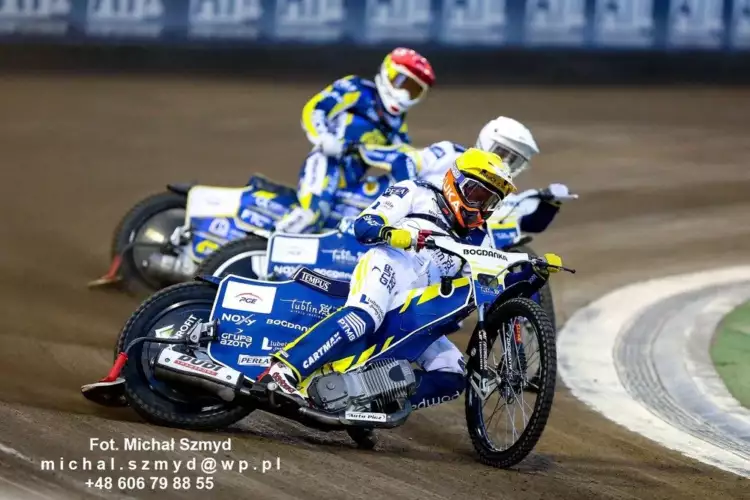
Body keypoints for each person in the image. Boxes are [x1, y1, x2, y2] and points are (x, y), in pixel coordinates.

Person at [258, 148, 550, 411]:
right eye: (476, 194)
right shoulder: (416, 191)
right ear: (455, 181)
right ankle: (283, 370)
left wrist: (528, 277)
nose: (480, 206)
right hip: (387, 267)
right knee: (362, 318)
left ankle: (366, 400)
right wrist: (392, 234)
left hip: (417, 306)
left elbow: (488, 287)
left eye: (489, 201)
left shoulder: (481, 238)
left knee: (452, 374)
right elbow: (365, 225)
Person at [274, 47, 436, 234]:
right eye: (402, 82)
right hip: (327, 163)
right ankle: (270, 241)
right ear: (387, 72)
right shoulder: (356, 89)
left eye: (414, 90)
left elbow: (402, 158)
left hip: (352, 181)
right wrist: (323, 136)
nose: (405, 94)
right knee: (313, 214)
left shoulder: (398, 126)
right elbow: (316, 108)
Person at [374, 115, 571, 234]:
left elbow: (527, 224)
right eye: (502, 153)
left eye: (514, 160)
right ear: (487, 140)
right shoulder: (449, 153)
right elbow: (403, 162)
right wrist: (412, 197)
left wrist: (551, 205)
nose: (504, 163)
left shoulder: (496, 195)